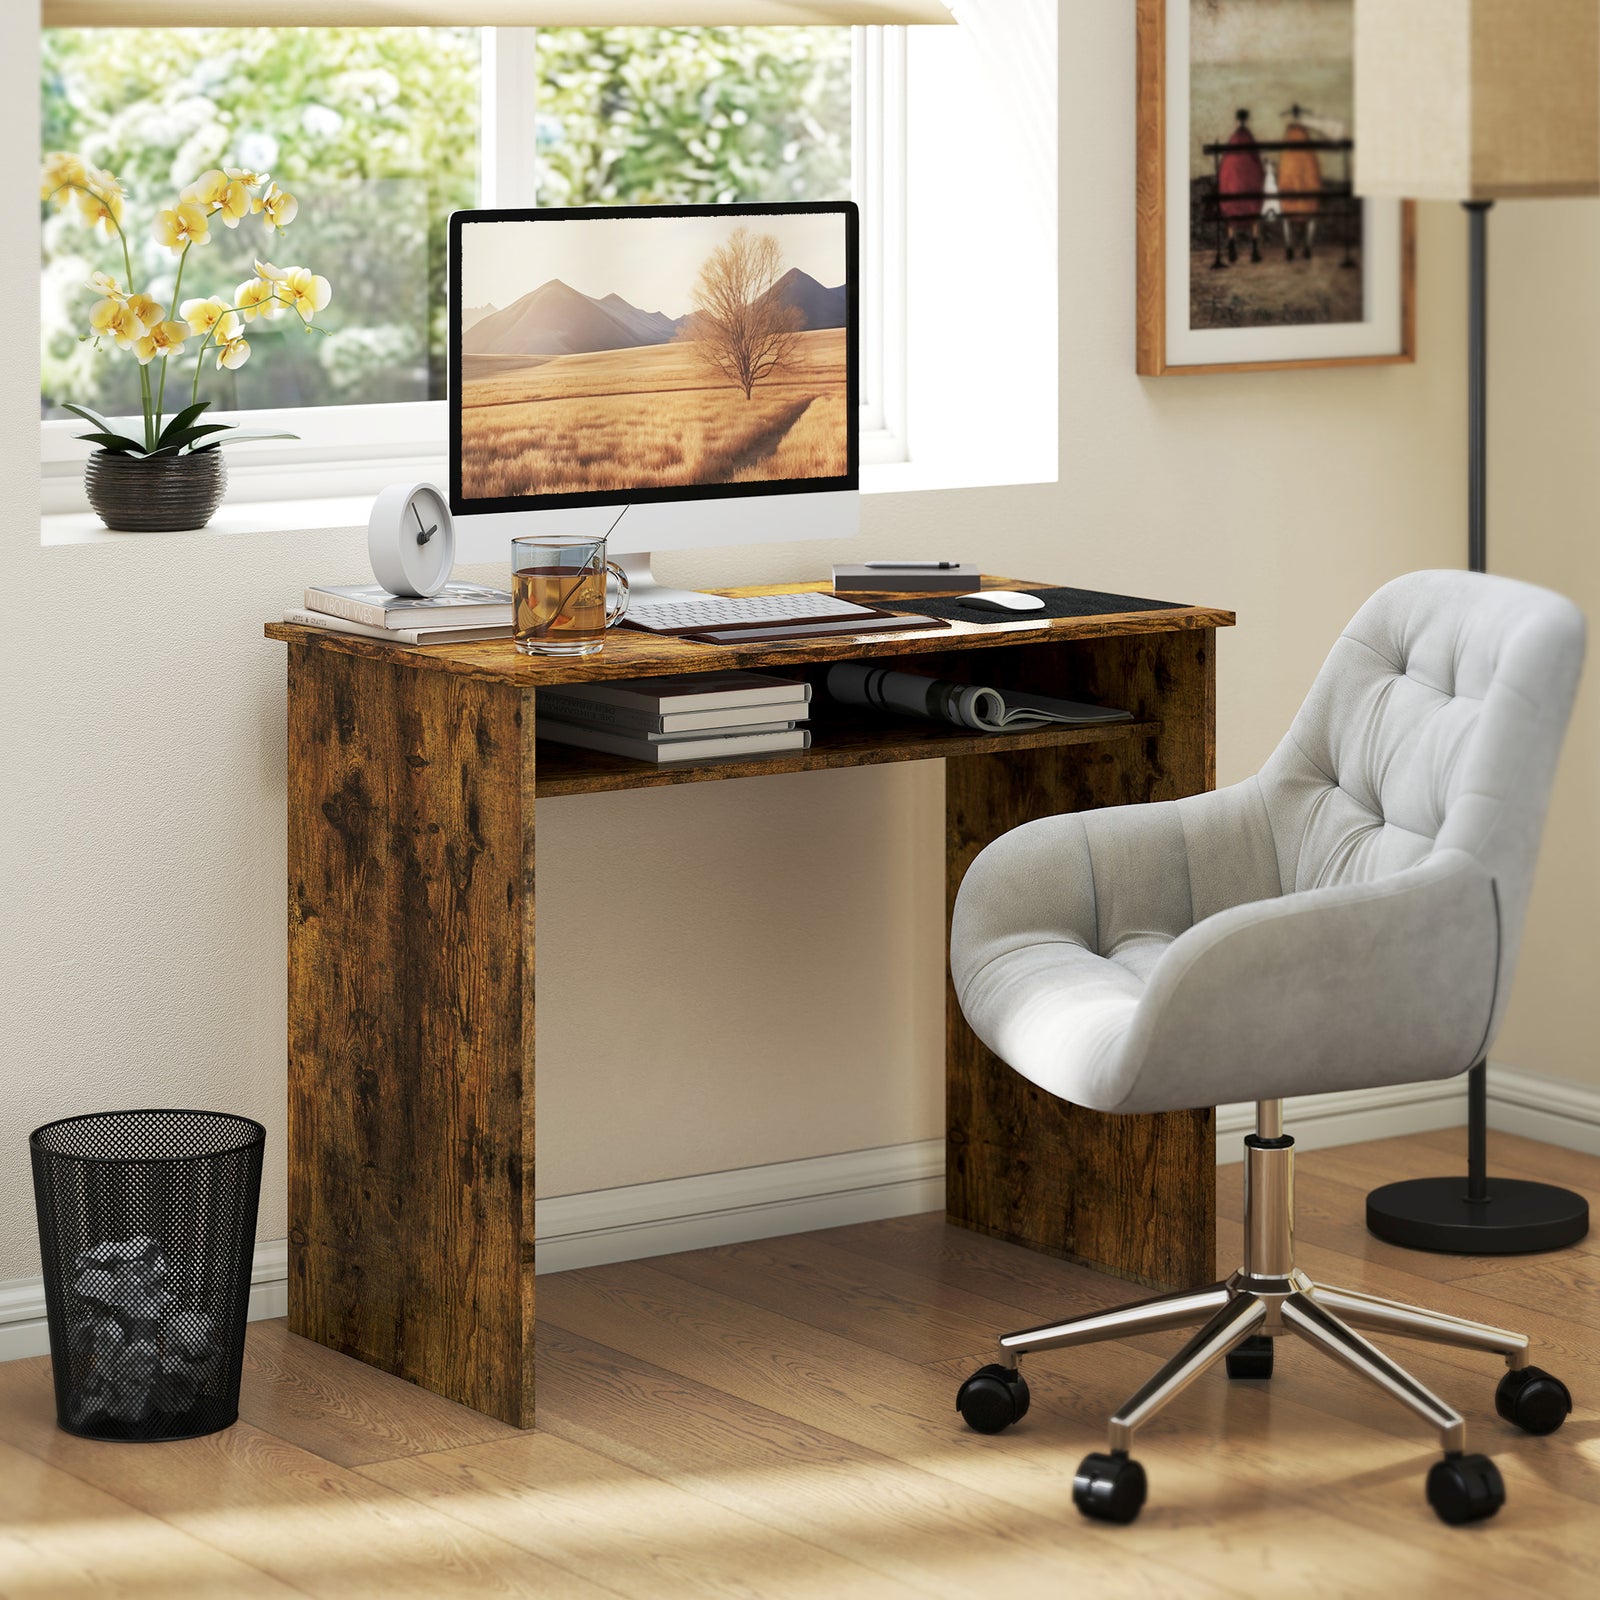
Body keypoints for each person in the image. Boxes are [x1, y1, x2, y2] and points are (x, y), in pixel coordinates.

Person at [1216, 108, 1265, 265]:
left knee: (1232, 210)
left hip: (1233, 186)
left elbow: (1226, 165)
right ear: (1247, 120)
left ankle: (1231, 247)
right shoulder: (1248, 138)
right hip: (1249, 185)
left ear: (1237, 120)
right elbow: (1256, 161)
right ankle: (1255, 250)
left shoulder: (1234, 139)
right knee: (1253, 210)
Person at [1279, 103, 1323, 261]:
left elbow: (1285, 168)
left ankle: (1290, 248)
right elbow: (1312, 168)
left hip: (1292, 190)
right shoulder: (1304, 138)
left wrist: (1286, 187)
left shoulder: (1289, 139)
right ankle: (1307, 248)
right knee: (1310, 215)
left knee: (1287, 217)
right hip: (1305, 190)